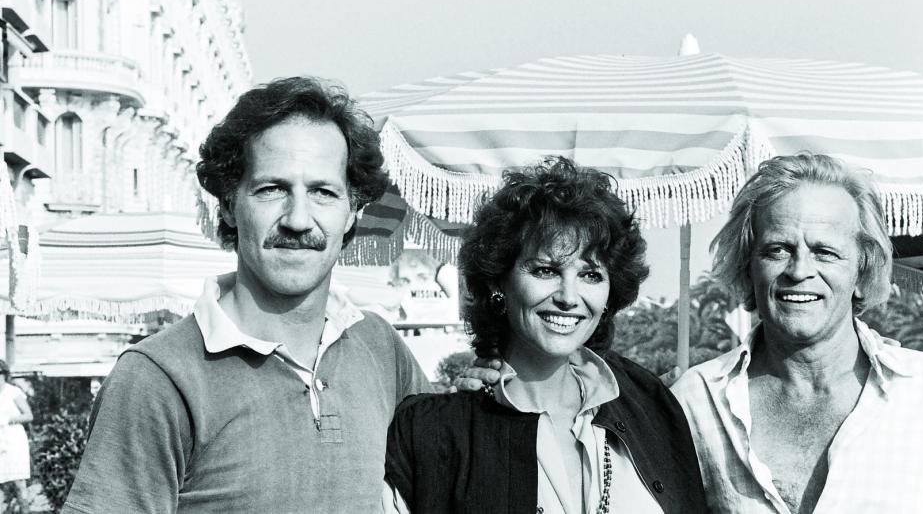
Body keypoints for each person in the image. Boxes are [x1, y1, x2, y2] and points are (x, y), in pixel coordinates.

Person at [63, 77, 432, 513]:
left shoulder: (379, 346)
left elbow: (449, 471)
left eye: (323, 192)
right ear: (227, 203)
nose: (298, 219)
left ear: (353, 211)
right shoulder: (158, 378)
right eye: (271, 189)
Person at [384, 157, 708, 514]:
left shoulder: (649, 407)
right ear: (497, 281)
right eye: (545, 270)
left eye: (591, 275)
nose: (569, 297)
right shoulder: (434, 434)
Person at [670, 153, 923, 513]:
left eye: (825, 252)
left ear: (863, 268)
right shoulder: (696, 400)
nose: (799, 271)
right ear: (748, 266)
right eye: (778, 250)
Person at [0, 360, 32, 512]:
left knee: (19, 482)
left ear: (5, 375)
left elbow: (28, 415)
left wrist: (7, 419)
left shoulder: (13, 392)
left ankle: (25, 511)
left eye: (0, 373)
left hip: (14, 440)